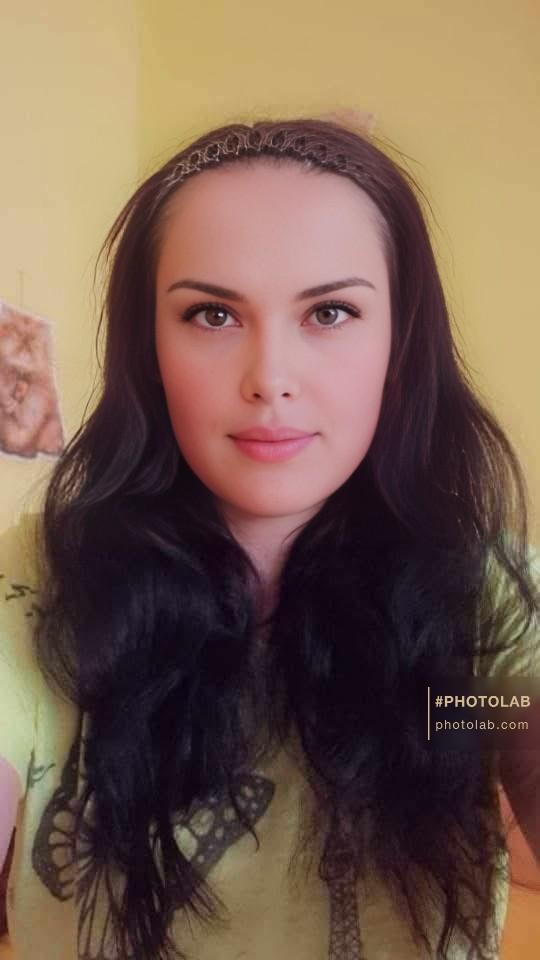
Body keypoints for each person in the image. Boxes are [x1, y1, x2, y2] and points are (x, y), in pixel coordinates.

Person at [0, 115, 538, 960]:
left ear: (399, 344)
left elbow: (507, 709)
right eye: (213, 314)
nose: (270, 379)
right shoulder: (36, 582)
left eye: (330, 311)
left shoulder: (485, 600)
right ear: (149, 348)